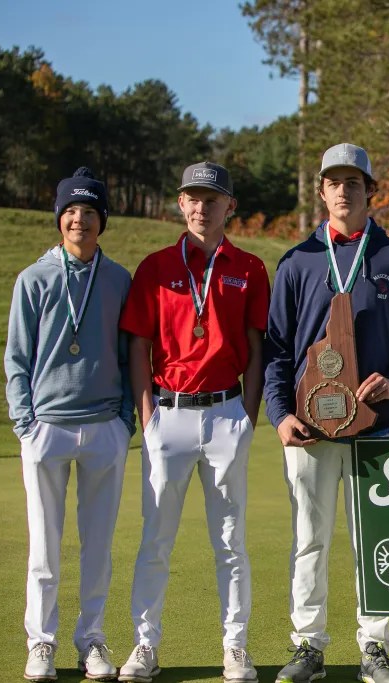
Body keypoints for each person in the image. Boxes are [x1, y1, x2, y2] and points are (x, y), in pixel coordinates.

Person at [264, 143, 389, 683]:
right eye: (333, 181)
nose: (343, 190)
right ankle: (309, 646)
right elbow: (277, 350)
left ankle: (374, 648)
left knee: (377, 541)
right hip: (309, 431)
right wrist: (280, 414)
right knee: (310, 538)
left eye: (353, 182)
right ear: (321, 191)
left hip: (377, 427)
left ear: (370, 190)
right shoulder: (297, 261)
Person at [116, 162, 269, 683]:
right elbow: (138, 343)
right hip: (170, 413)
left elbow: (255, 347)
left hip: (227, 414)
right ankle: (144, 645)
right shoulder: (156, 267)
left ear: (230, 206)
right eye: (193, 198)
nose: (202, 207)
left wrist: (247, 416)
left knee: (230, 541)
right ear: (181, 205)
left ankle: (235, 648)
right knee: (156, 538)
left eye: (213, 199)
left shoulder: (248, 267)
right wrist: (147, 414)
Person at [6, 168, 133, 683]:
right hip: (48, 429)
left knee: (97, 545)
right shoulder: (33, 279)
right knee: (44, 545)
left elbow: (130, 356)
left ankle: (93, 641)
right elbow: (17, 359)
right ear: (60, 218)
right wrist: (25, 424)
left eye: (89, 211)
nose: (79, 218)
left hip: (105, 426)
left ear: (102, 220)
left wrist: (125, 423)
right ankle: (42, 642)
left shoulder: (120, 279)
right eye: (71, 211)